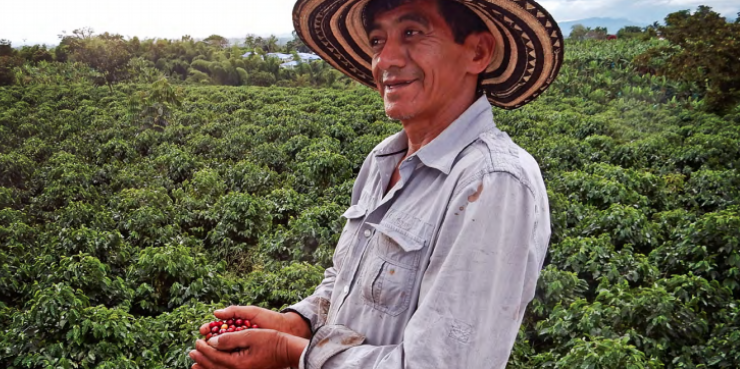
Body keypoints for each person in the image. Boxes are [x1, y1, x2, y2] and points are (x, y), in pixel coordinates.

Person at [189, 0, 563, 367]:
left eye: (412, 33)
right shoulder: (383, 160)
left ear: (477, 52)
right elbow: (347, 279)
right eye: (378, 41)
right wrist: (296, 322)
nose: (386, 60)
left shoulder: (493, 181)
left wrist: (290, 352)